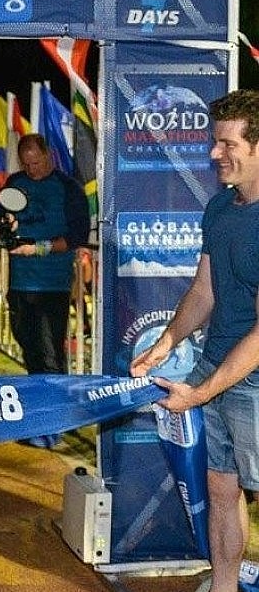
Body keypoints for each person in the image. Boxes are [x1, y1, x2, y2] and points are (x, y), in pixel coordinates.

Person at [130, 90, 259, 592]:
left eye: (228, 144)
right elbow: (204, 290)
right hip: (216, 366)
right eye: (214, 141)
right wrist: (166, 342)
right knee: (222, 492)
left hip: (252, 381)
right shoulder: (220, 207)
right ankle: (224, 586)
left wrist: (200, 392)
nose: (213, 153)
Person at [0, 133, 90, 448]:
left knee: (50, 355)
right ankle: (42, 418)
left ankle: (54, 426)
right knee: (30, 351)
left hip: (52, 285)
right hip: (19, 283)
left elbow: (77, 236)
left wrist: (36, 248)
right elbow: (2, 221)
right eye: (26, 164)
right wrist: (5, 225)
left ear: (48, 155)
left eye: (36, 163)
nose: (32, 169)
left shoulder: (68, 188)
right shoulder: (14, 183)